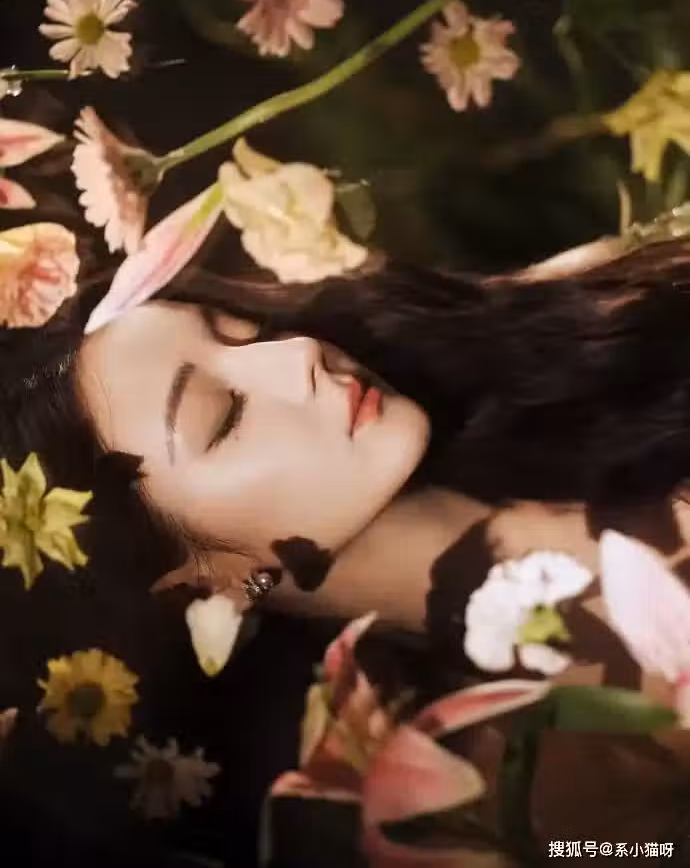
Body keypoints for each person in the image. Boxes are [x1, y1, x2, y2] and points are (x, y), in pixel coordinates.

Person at [3, 231, 690, 862]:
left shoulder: (590, 322)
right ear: (202, 585)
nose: (295, 356)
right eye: (225, 416)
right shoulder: (492, 803)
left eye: (241, 330)